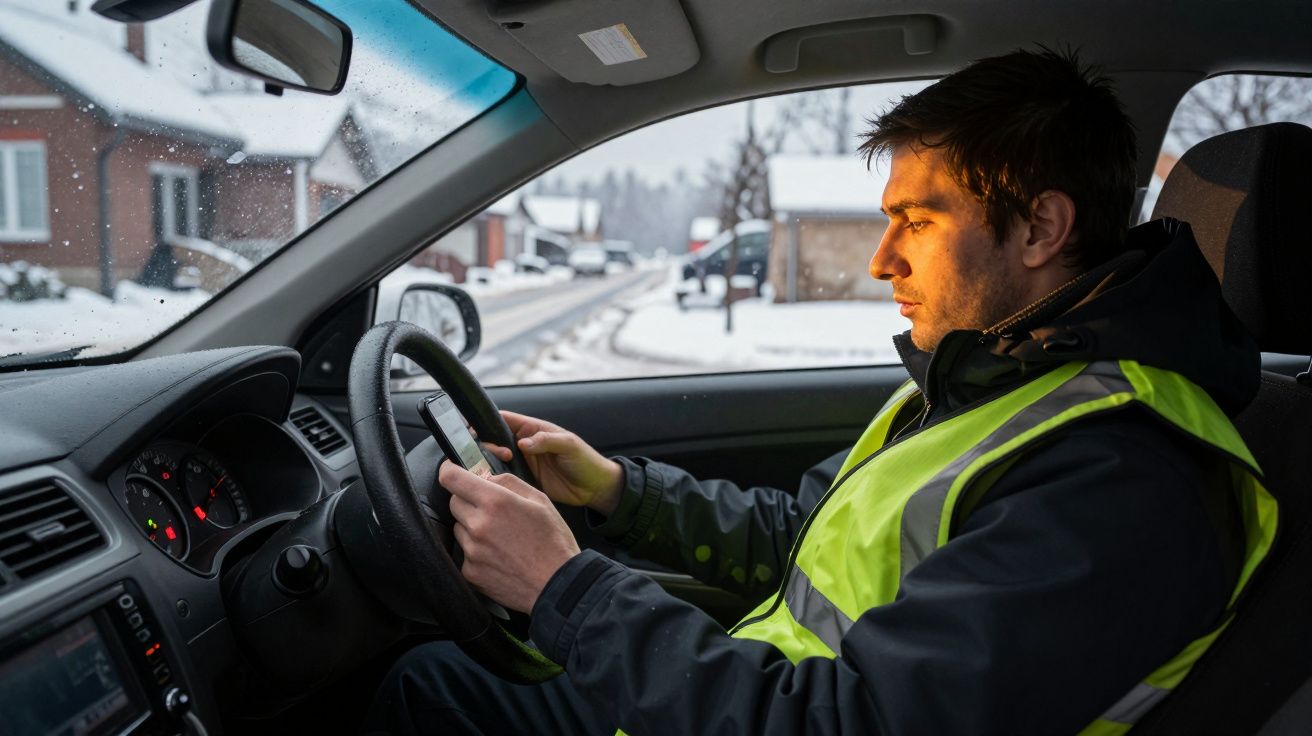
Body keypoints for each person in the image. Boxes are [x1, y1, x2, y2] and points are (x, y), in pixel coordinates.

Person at [366, 48, 1276, 735]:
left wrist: (564, 587)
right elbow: (802, 541)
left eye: (917, 221)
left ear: (1040, 226)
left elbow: (854, 723)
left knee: (426, 688)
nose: (884, 260)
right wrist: (611, 491)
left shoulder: (1121, 477)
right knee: (430, 677)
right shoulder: (999, 380)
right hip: (752, 697)